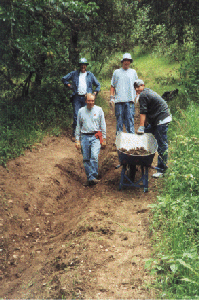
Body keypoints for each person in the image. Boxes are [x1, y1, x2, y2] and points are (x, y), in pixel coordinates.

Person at [134, 79, 172, 178]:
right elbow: (146, 111)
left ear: (142, 85)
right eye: (136, 89)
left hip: (161, 119)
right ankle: (141, 158)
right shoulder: (146, 92)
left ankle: (162, 169)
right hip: (157, 119)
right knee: (146, 133)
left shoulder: (143, 95)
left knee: (162, 144)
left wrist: (141, 127)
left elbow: (142, 112)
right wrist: (145, 125)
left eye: (138, 87)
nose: (137, 90)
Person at [62, 58, 101, 142]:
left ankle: (86, 133)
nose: (83, 66)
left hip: (87, 98)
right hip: (76, 97)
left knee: (87, 115)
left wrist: (94, 94)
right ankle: (75, 134)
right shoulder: (74, 73)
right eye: (81, 65)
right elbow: (64, 79)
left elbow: (98, 85)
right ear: (79, 66)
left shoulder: (90, 75)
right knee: (76, 115)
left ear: (86, 66)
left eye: (84, 65)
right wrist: (69, 85)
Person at [75, 93, 106, 186]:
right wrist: (77, 140)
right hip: (84, 135)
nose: (91, 102)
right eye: (89, 100)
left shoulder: (99, 110)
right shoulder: (81, 111)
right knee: (86, 159)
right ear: (85, 101)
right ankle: (90, 178)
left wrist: (103, 138)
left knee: (94, 156)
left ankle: (93, 176)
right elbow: (78, 126)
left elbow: (103, 124)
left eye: (92, 100)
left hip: (96, 134)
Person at [110, 53, 138, 134]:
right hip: (119, 101)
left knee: (130, 121)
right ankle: (119, 142)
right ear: (122, 61)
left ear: (130, 62)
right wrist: (111, 97)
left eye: (128, 60)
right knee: (119, 122)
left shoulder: (133, 72)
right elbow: (112, 86)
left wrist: (137, 96)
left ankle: (131, 141)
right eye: (125, 60)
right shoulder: (116, 72)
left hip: (130, 101)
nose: (126, 62)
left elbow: (137, 85)